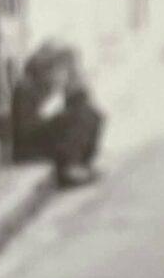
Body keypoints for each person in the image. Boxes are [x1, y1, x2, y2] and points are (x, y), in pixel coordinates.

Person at [12, 39, 104, 187]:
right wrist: (54, 114)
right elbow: (26, 131)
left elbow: (80, 102)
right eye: (60, 69)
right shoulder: (26, 88)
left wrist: (75, 84)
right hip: (29, 147)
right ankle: (69, 169)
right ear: (46, 69)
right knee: (78, 117)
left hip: (47, 137)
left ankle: (81, 164)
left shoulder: (51, 85)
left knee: (92, 114)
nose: (63, 74)